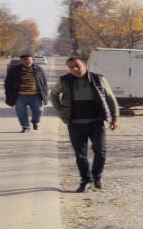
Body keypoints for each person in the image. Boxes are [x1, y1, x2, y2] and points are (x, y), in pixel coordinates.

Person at [50, 56, 119, 192]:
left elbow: (110, 98)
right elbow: (53, 95)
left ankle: (96, 176)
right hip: (75, 124)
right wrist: (61, 111)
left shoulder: (98, 79)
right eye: (71, 67)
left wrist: (115, 117)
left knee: (101, 152)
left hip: (96, 122)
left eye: (77, 65)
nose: (75, 69)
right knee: (80, 155)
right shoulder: (64, 81)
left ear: (85, 65)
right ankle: (85, 180)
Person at [4, 53, 49, 132]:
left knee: (38, 110)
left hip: (35, 95)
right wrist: (9, 95)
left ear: (32, 60)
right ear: (21, 61)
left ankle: (35, 122)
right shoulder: (14, 70)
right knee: (21, 113)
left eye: (29, 59)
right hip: (20, 96)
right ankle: (25, 127)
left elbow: (44, 83)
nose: (27, 61)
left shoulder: (38, 69)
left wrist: (45, 96)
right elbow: (7, 83)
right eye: (25, 60)